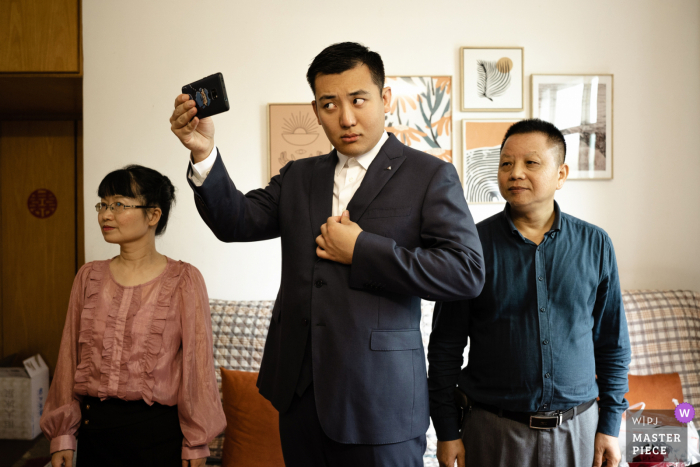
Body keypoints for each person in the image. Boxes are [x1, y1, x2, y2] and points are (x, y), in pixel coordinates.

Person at [169, 42, 485, 466]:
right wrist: (203, 152)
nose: (346, 118)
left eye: (358, 100)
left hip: (380, 401)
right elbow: (236, 222)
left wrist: (362, 250)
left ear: (385, 98)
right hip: (299, 395)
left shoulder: (430, 175)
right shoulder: (299, 175)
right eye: (329, 105)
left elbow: (465, 272)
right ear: (315, 109)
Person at [428, 119, 631, 467]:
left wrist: (610, 425)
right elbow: (445, 348)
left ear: (561, 174)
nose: (515, 172)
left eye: (530, 163)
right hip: (494, 430)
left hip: (579, 430)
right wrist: (447, 431)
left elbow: (612, 344)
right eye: (506, 163)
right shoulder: (470, 247)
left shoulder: (595, 244)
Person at [40, 165, 225, 467]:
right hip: (94, 430)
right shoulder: (89, 277)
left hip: (158, 435)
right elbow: (67, 360)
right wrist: (62, 436)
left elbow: (197, 366)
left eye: (119, 205)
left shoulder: (184, 280)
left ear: (153, 215)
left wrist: (196, 443)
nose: (105, 215)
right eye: (103, 204)